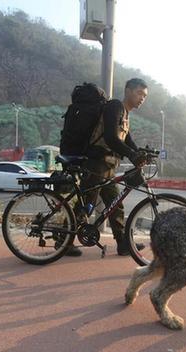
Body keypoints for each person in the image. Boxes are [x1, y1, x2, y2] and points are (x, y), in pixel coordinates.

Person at [68, 78, 149, 256]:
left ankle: (123, 243)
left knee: (115, 203)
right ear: (128, 91)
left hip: (108, 165)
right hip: (97, 162)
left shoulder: (125, 113)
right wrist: (132, 154)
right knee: (86, 204)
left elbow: (127, 140)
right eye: (139, 93)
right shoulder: (115, 107)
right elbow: (112, 138)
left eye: (145, 96)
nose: (142, 98)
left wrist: (140, 153)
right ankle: (63, 242)